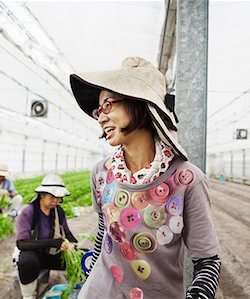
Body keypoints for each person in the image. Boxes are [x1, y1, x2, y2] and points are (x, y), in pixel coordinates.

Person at [69, 57, 221, 299]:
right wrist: (87, 280)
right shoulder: (101, 173)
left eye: (107, 105)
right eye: (98, 110)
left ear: (139, 103)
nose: (100, 118)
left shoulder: (187, 180)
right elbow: (104, 234)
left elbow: (208, 261)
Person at [16, 174, 78, 299]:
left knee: (82, 258)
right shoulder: (29, 211)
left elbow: (68, 233)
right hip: (33, 254)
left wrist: (74, 245)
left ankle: (76, 288)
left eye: (58, 197)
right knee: (27, 262)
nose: (56, 200)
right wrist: (53, 242)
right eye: (52, 197)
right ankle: (28, 296)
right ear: (42, 195)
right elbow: (21, 243)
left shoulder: (58, 211)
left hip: (50, 254)